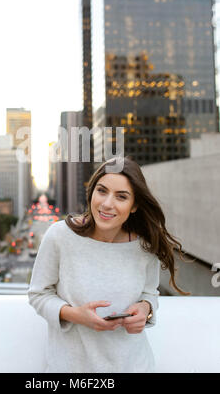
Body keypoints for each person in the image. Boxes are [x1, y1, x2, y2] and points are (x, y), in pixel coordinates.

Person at [28, 156, 191, 373]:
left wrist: (145, 309)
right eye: (102, 191)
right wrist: (75, 315)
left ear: (134, 206)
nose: (106, 204)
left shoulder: (144, 246)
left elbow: (149, 294)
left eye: (121, 197)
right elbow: (38, 294)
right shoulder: (59, 236)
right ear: (92, 192)